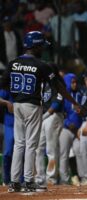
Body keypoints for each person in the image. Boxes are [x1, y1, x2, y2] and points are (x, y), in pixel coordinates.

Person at [1, 31, 80, 193]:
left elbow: (4, 84)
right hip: (32, 106)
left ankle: (14, 181)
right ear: (35, 46)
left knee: (19, 144)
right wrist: (74, 102)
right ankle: (29, 180)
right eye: (41, 46)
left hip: (17, 105)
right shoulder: (40, 65)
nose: (43, 49)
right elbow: (57, 86)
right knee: (31, 145)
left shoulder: (13, 63)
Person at [35, 64, 65, 186]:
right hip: (44, 117)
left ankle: (51, 178)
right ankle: (39, 177)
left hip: (53, 116)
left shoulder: (58, 82)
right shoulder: (44, 83)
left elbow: (57, 103)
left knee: (51, 149)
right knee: (38, 148)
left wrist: (44, 116)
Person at [59, 73, 82, 186]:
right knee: (64, 154)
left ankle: (78, 176)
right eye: (72, 82)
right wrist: (68, 123)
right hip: (66, 129)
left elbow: (82, 112)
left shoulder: (80, 94)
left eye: (76, 82)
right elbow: (60, 113)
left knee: (78, 152)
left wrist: (79, 127)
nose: (75, 84)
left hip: (78, 130)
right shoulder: (62, 96)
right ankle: (64, 179)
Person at [0, 89, 15, 185]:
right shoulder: (9, 84)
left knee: (24, 152)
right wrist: (7, 102)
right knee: (7, 152)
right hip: (9, 122)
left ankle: (21, 180)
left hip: (24, 122)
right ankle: (6, 179)